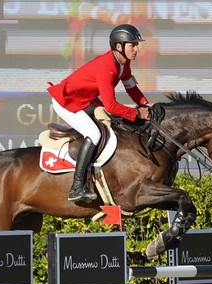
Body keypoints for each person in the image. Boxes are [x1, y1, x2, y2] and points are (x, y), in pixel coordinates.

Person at [47, 23, 152, 202]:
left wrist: (145, 103)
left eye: (137, 45)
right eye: (133, 45)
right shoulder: (107, 66)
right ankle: (77, 187)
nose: (137, 49)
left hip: (84, 100)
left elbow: (132, 89)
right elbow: (111, 106)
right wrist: (137, 114)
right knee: (94, 133)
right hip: (66, 101)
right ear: (119, 47)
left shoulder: (123, 64)